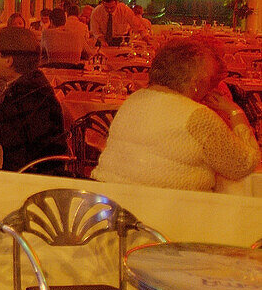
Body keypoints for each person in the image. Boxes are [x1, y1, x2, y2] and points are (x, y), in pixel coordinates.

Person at [92, 37, 260, 191]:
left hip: (110, 202)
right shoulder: (197, 116)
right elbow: (244, 164)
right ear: (195, 82)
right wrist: (234, 111)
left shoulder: (133, 100)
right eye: (210, 80)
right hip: (161, 214)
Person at [0, 27, 69, 173]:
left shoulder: (29, 92)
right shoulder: (30, 81)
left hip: (34, 174)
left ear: (8, 60)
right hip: (26, 166)